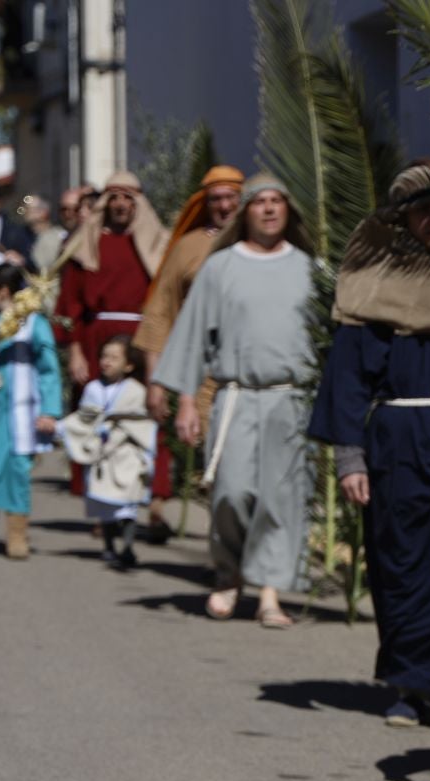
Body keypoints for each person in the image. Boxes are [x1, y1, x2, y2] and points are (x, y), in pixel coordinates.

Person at [309, 162, 430, 728]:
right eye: (422, 212)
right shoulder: (371, 287)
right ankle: (412, 684)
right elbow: (348, 375)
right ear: (399, 220)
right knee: (404, 560)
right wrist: (350, 457)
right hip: (398, 440)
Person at [152, 174, 313, 627]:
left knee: (280, 497)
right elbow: (191, 336)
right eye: (259, 201)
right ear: (246, 212)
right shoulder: (221, 267)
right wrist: (187, 401)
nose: (269, 209)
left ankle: (269, 593)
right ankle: (229, 573)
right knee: (232, 492)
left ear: (288, 210)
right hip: (236, 398)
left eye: (276, 201)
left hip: (289, 400)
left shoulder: (308, 269)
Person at [134, 164, 243, 536]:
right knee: (222, 466)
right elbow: (160, 312)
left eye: (231, 198)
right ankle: (228, 548)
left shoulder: (264, 244)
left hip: (260, 374)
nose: (224, 206)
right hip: (206, 378)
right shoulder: (188, 246)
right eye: (216, 199)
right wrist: (155, 382)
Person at [55, 171, 166, 495]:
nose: (120, 204)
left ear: (138, 203)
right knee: (95, 414)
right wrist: (75, 351)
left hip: (144, 338)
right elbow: (70, 304)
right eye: (114, 197)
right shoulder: (86, 244)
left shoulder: (158, 244)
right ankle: (97, 493)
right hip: (96, 338)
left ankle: (152, 491)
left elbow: (167, 300)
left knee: (146, 409)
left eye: (127, 198)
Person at [0, 264, 61, 560]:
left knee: (17, 470)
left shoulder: (33, 322)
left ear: (3, 291)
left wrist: (49, 410)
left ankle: (17, 533)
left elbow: (49, 369)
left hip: (21, 410)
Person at [60, 335, 156, 570]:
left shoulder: (136, 391)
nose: (107, 361)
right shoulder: (92, 389)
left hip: (126, 454)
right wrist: (60, 427)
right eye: (104, 356)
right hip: (101, 455)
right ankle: (109, 546)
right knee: (106, 505)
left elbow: (141, 421)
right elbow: (84, 418)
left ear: (129, 365)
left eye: (114, 357)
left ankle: (128, 546)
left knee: (128, 503)